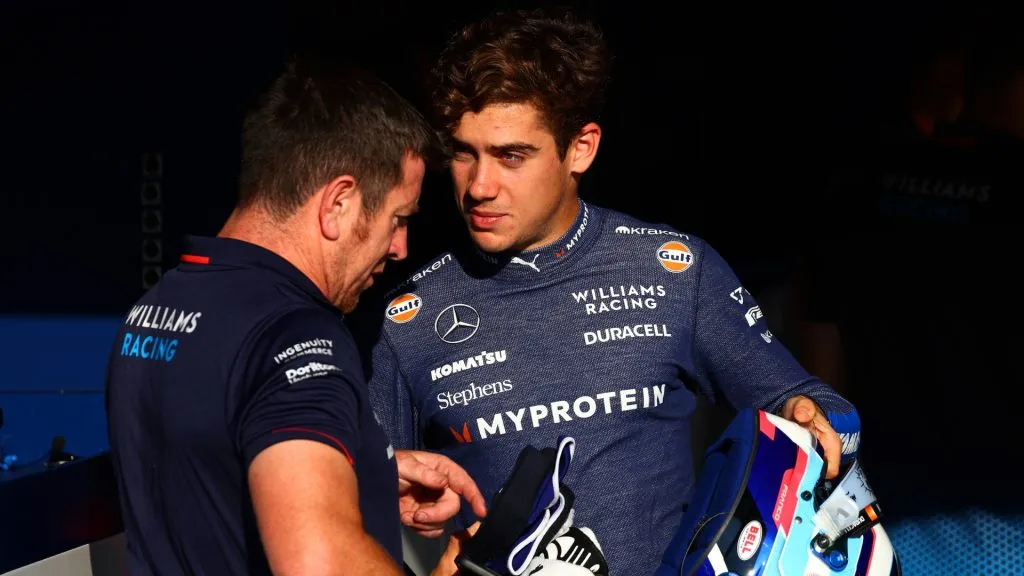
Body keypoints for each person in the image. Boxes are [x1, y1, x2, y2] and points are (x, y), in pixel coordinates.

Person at [351, 9, 861, 574]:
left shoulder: (672, 271)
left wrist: (809, 421)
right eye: (463, 152)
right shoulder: (405, 318)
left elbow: (824, 412)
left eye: (511, 156)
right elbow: (358, 520)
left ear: (582, 148)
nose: (479, 186)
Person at [105, 58, 486, 576]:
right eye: (398, 218)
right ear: (338, 203)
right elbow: (318, 564)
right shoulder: (297, 335)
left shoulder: (158, 306)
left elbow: (210, 463)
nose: (400, 248)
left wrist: (371, 470)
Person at [796, 13, 1024, 574]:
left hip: (877, 513)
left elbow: (820, 366)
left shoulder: (854, 188)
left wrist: (835, 507)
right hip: (1005, 522)